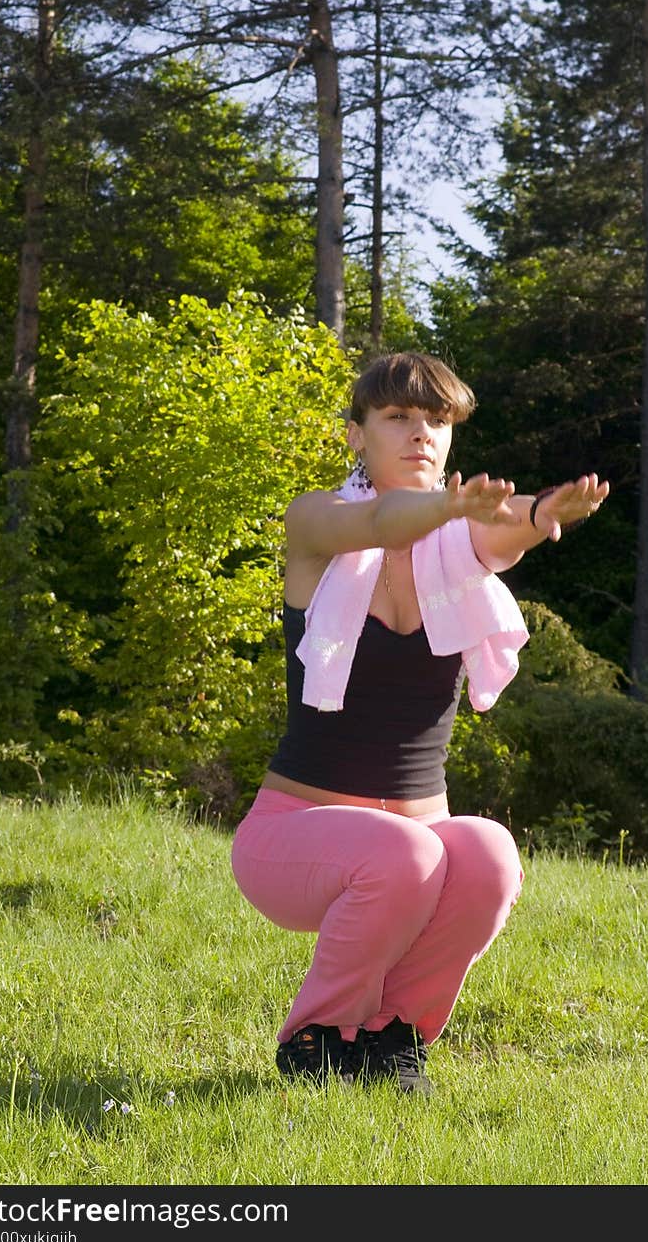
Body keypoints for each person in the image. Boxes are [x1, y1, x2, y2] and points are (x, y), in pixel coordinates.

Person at [231, 351, 609, 1094]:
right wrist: (450, 508)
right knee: (403, 853)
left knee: (490, 852)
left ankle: (391, 1037)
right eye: (398, 418)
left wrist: (538, 516)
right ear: (355, 435)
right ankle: (316, 1041)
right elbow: (380, 520)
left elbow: (496, 535)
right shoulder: (318, 521)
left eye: (436, 420)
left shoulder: (457, 539)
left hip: (413, 844)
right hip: (293, 835)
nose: (420, 435)